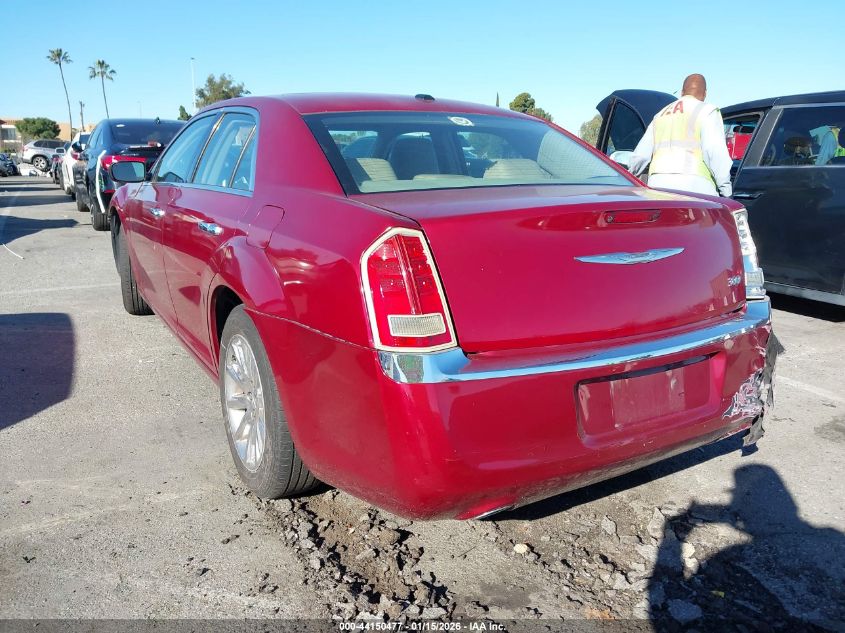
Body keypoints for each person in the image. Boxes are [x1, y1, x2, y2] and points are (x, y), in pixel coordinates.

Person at [629, 74, 733, 197]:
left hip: (657, 186)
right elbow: (715, 153)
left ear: (682, 92)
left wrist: (627, 176)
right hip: (695, 187)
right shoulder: (707, 111)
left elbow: (640, 156)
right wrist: (726, 191)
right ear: (705, 94)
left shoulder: (660, 115)